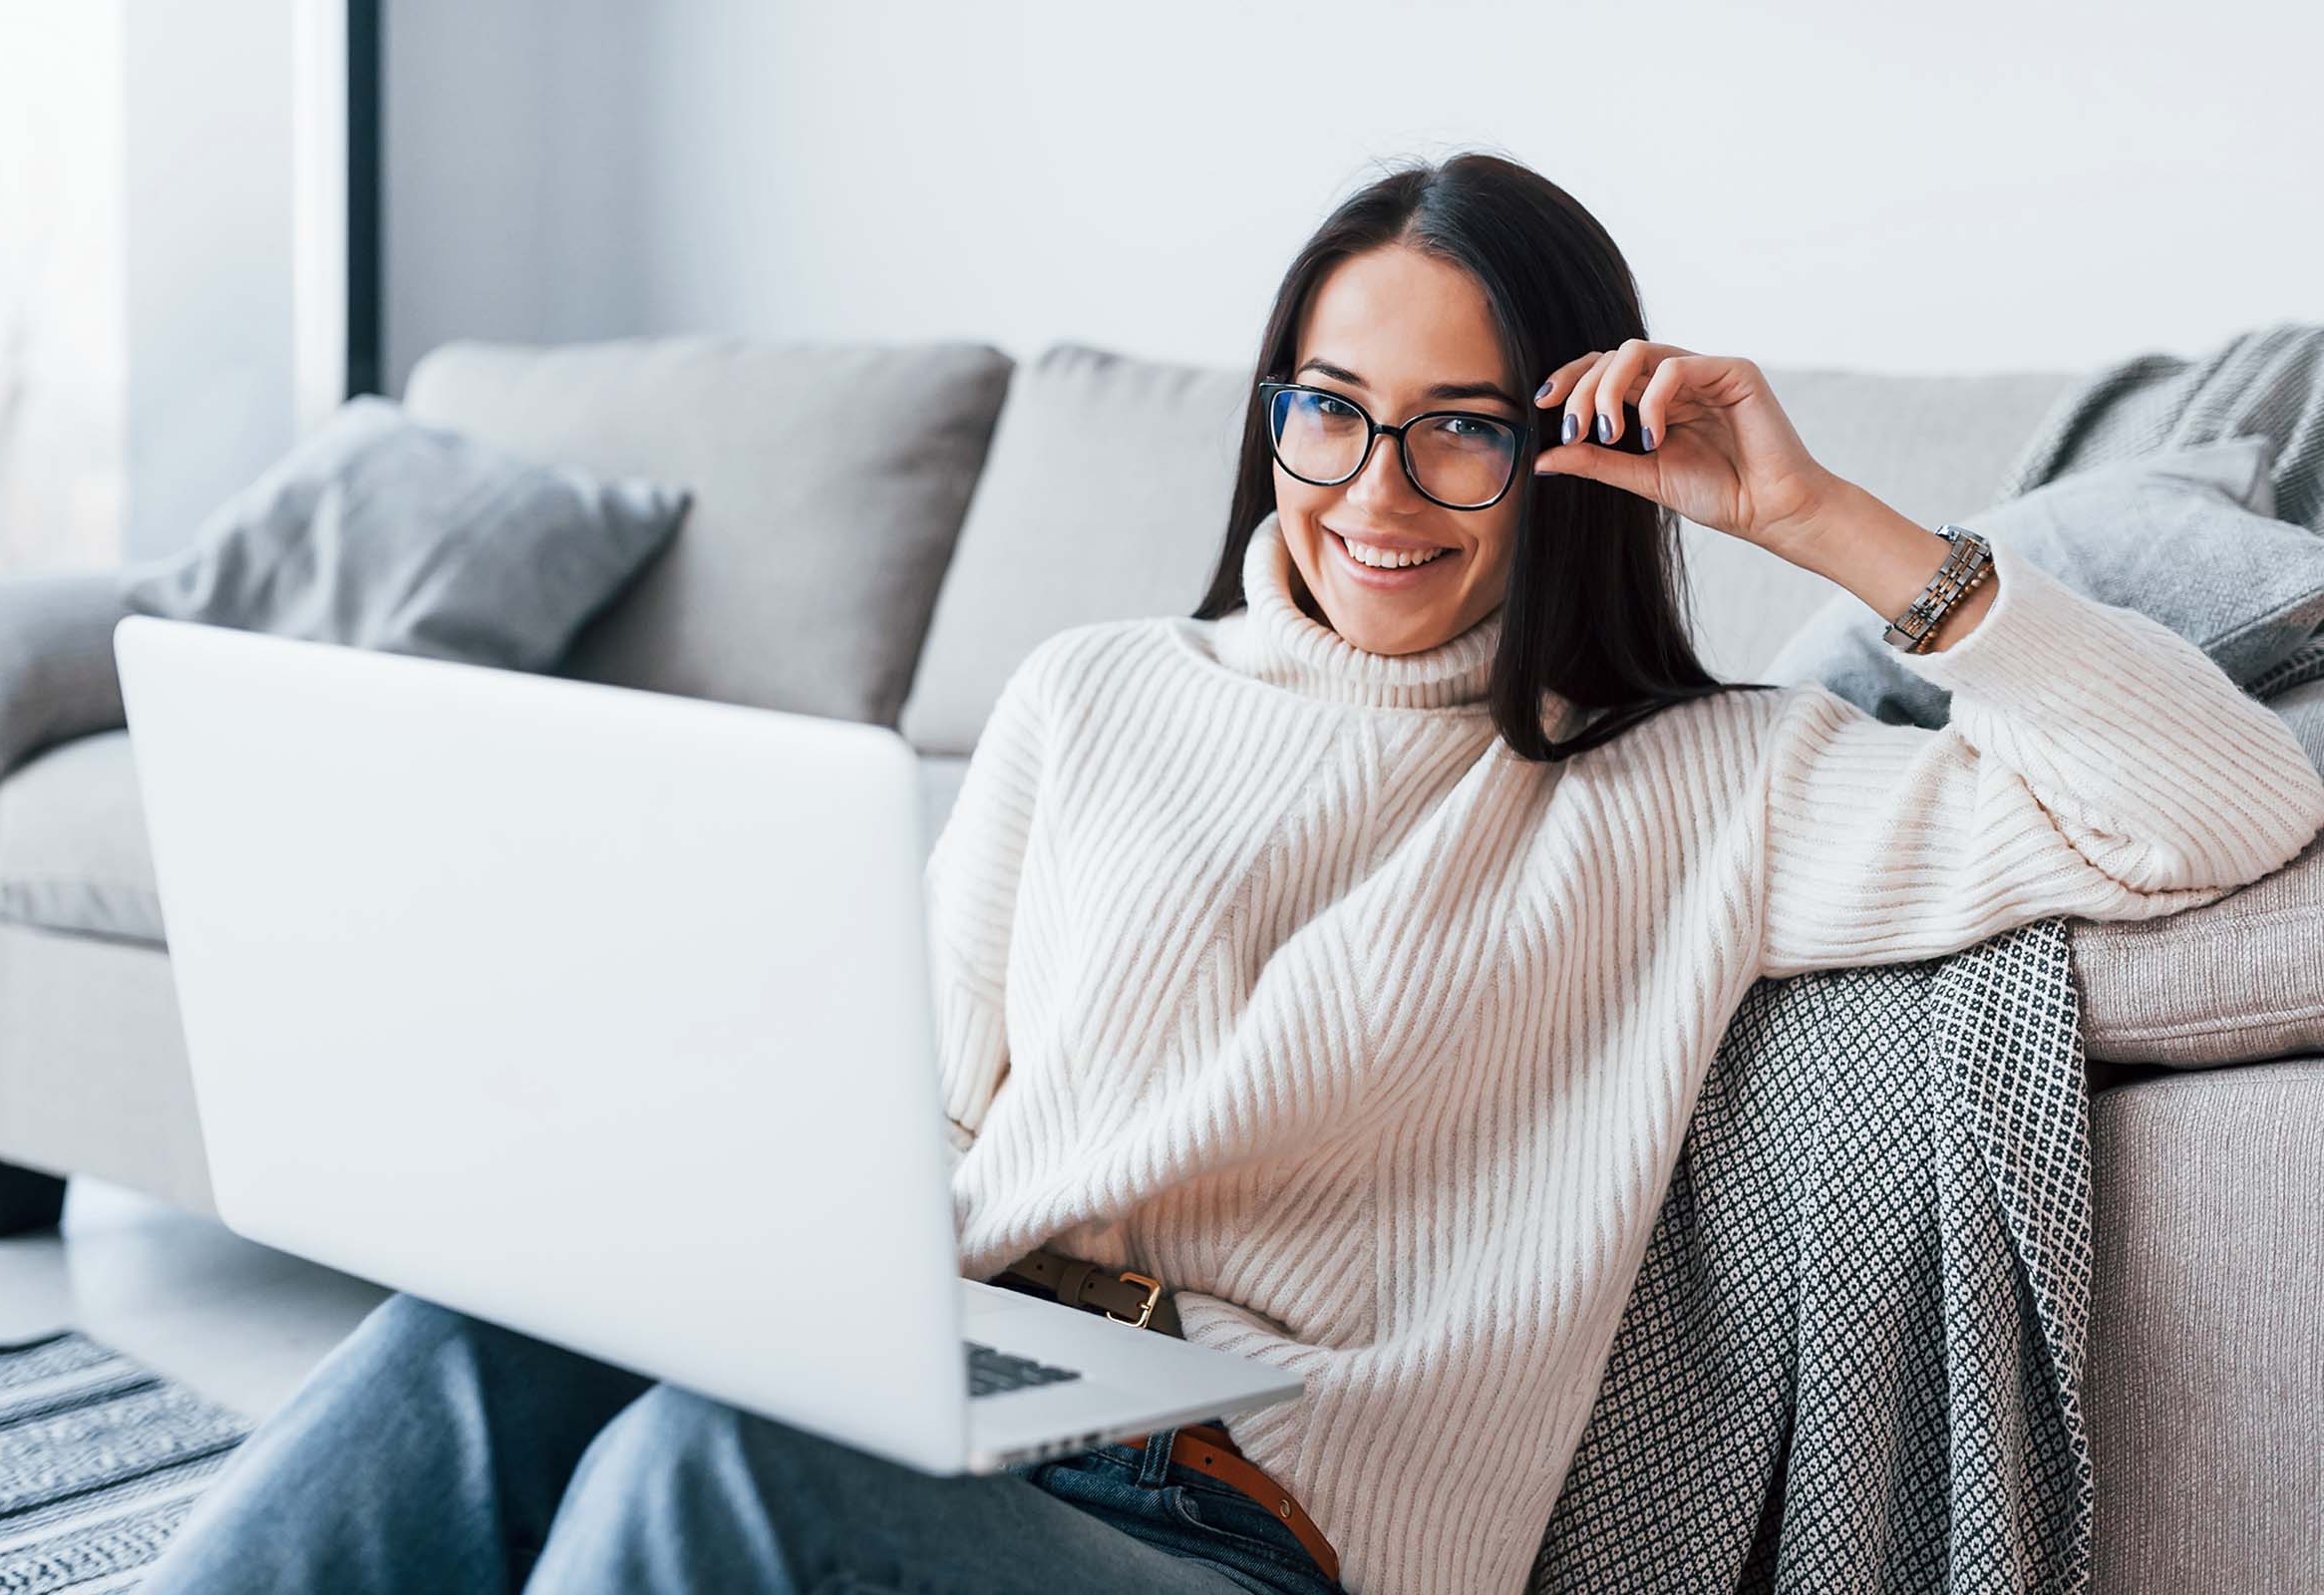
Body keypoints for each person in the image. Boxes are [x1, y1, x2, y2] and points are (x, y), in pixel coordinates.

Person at [144, 152, 2324, 1595]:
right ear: (1271, 411)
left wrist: (1827, 520)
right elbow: (906, 1121)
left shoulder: (1716, 785)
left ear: (1580, 446)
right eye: (1330, 406)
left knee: (704, 1481)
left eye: (1465, 422)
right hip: (955, 1389)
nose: (1382, 484)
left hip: (1250, 1537)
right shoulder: (1091, 695)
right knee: (472, 1349)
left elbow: (2209, 814)